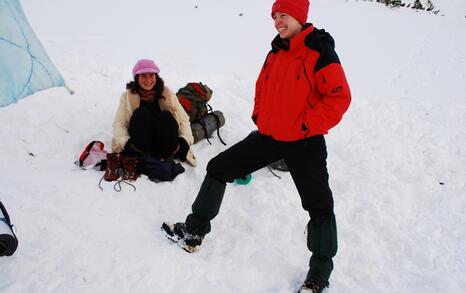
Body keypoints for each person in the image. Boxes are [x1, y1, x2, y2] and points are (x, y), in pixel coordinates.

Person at [162, 0, 351, 292]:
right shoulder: (275, 52)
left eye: (283, 15)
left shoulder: (320, 51)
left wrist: (304, 125)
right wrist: (260, 116)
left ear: (299, 16)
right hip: (270, 136)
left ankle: (319, 274)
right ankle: (194, 231)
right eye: (274, 16)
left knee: (320, 206)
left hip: (305, 142)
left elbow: (339, 98)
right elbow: (262, 87)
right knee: (218, 168)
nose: (277, 21)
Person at [107, 59, 196, 181]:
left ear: (156, 76)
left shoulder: (167, 93)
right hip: (141, 145)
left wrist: (184, 142)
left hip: (165, 145)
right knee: (141, 114)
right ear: (137, 78)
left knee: (166, 116)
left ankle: (157, 158)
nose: (148, 80)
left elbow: (184, 120)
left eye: (151, 75)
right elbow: (119, 123)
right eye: (144, 76)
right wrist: (126, 143)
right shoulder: (127, 96)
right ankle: (148, 158)